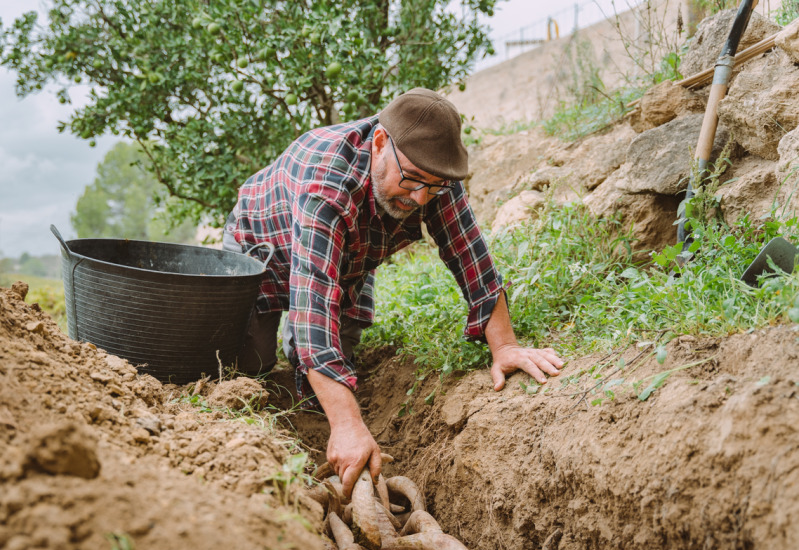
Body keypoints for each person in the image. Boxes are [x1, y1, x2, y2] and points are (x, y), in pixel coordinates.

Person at [223, 88, 563, 495]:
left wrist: (505, 346)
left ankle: (312, 399)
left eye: (432, 188)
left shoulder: (429, 175)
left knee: (334, 360)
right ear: (380, 143)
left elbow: (472, 260)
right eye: (413, 180)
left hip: (348, 258)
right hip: (261, 247)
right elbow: (312, 310)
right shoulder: (327, 186)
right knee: (251, 363)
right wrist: (348, 425)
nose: (421, 198)